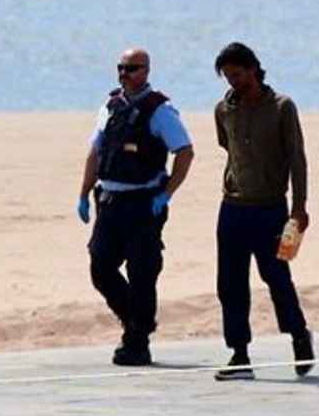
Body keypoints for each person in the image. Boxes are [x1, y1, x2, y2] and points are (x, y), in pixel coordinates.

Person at [76, 48, 194, 366]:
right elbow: (95, 152)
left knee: (143, 272)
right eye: (121, 67)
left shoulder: (160, 110)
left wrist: (166, 194)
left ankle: (136, 341)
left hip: (144, 203)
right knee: (101, 268)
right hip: (110, 202)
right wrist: (84, 193)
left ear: (146, 70)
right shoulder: (110, 105)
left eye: (131, 68)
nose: (124, 73)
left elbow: (184, 152)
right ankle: (137, 321)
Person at [211, 42, 313, 381]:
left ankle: (299, 334)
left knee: (276, 277)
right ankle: (239, 355)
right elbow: (228, 148)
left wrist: (299, 207)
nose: (232, 82)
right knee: (230, 283)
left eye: (237, 75)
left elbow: (296, 159)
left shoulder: (282, 107)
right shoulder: (223, 110)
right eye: (227, 77)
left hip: (270, 209)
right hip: (232, 208)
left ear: (253, 69)